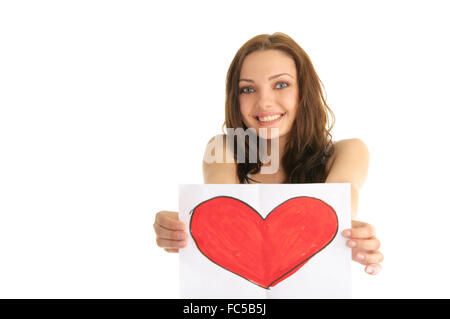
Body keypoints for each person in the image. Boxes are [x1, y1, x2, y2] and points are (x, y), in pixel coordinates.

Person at [153, 32, 383, 275]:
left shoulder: (348, 151)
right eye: (248, 89)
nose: (264, 102)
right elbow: (222, 208)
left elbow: (336, 211)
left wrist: (355, 239)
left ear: (304, 91)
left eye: (281, 85)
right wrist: (182, 229)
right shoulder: (223, 148)